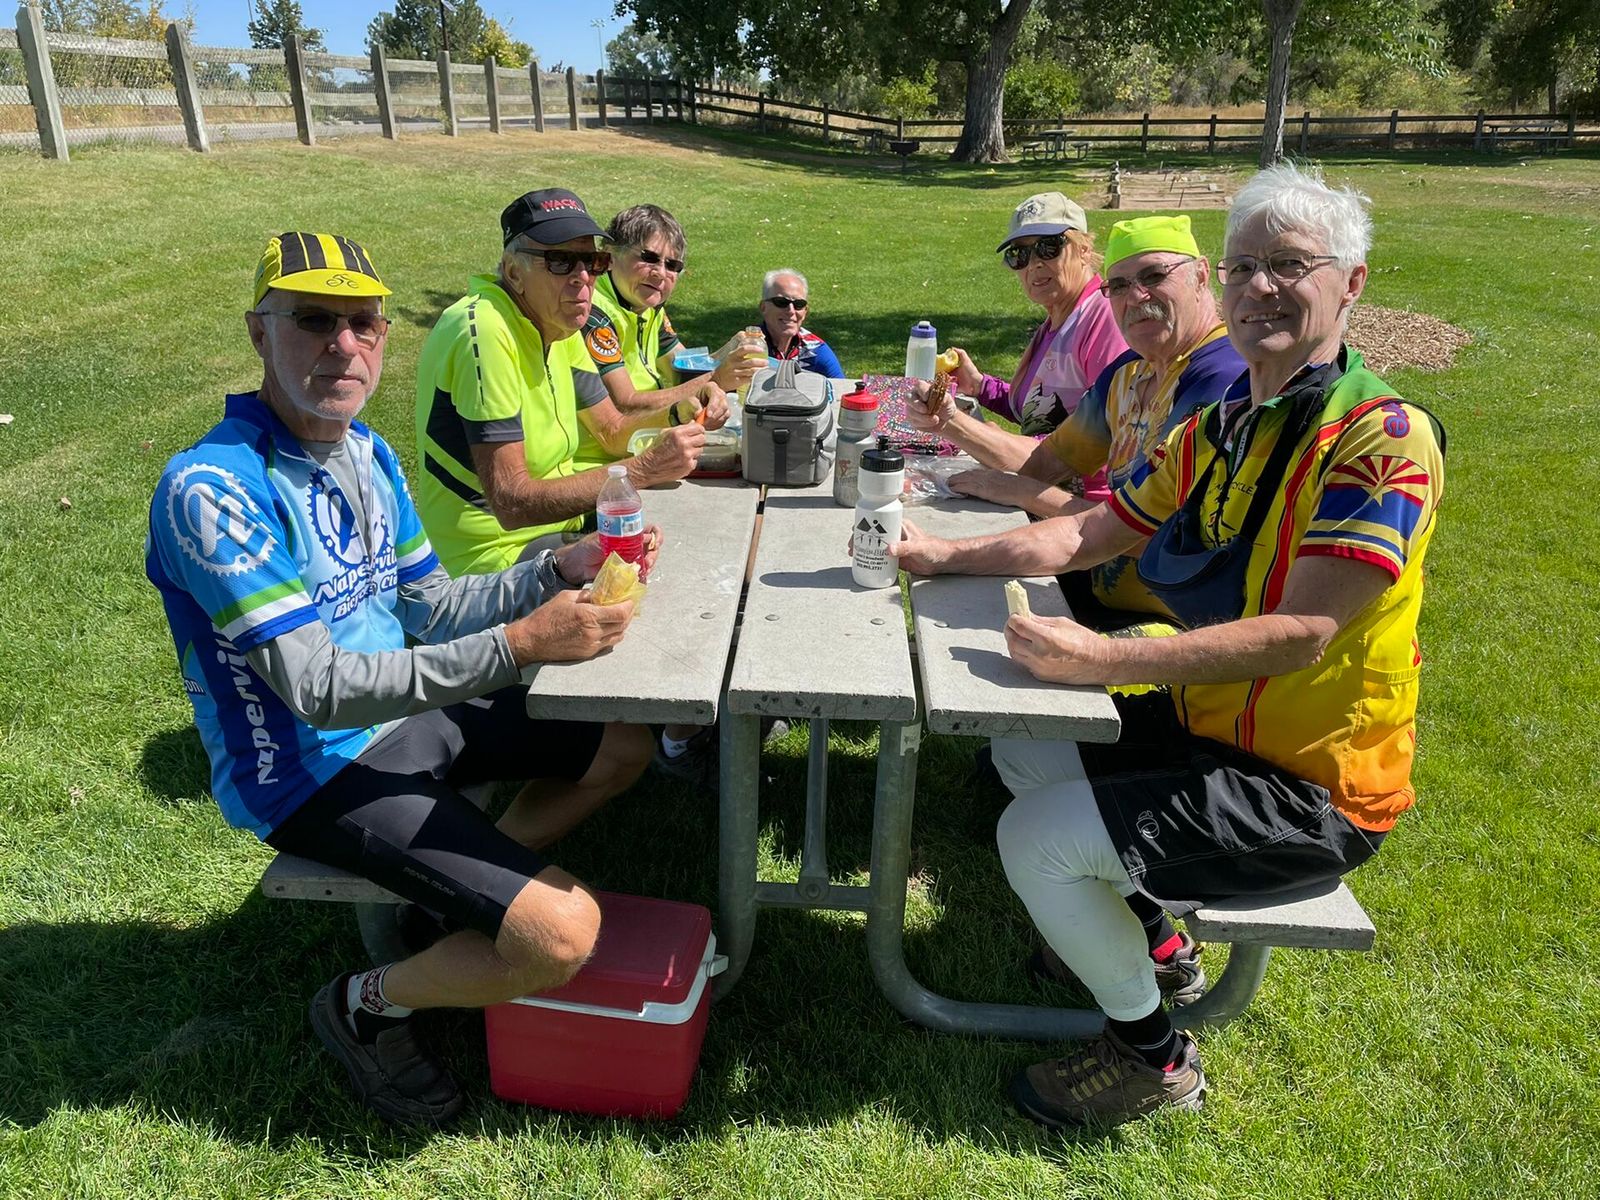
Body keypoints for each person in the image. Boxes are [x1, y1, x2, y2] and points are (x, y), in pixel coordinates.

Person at [883, 163, 1446, 1127]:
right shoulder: (1222, 425)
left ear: (1351, 283)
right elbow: (1086, 532)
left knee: (1034, 838)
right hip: (1211, 730)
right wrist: (937, 557)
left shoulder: (1380, 438)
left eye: (1290, 265)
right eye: (1243, 267)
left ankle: (1155, 1059)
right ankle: (1158, 942)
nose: (1260, 286)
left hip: (1315, 790)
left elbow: (1304, 634)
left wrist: (1104, 659)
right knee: (1022, 741)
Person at [146, 232, 659, 1127]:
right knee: (563, 936)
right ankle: (365, 1004)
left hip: (409, 712)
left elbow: (428, 605)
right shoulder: (212, 489)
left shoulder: (368, 455)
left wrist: (555, 568)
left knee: (624, 742)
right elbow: (319, 687)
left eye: (365, 324)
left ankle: (455, 909)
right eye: (314, 320)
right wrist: (519, 646)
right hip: (308, 769)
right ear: (260, 332)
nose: (343, 345)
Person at [945, 214, 1247, 627]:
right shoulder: (1129, 370)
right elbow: (1046, 463)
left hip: (1183, 624)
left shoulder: (1223, 379)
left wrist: (1025, 493)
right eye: (1118, 285)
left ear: (1201, 275)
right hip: (1096, 587)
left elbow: (1163, 538)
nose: (1136, 296)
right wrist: (952, 432)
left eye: (1154, 275)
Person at [414, 189, 728, 578]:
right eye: (560, 261)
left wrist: (679, 411)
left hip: (560, 529)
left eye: (593, 262)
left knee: (695, 547)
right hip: (489, 559)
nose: (583, 278)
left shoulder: (560, 325)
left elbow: (611, 430)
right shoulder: (485, 330)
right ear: (513, 272)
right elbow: (511, 502)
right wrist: (644, 469)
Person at [911, 192, 1127, 497]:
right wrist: (981, 387)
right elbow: (1042, 412)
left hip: (1079, 507)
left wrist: (949, 422)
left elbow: (1100, 442)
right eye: (1019, 254)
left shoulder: (1103, 319)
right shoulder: (1059, 319)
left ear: (1084, 250)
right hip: (1040, 488)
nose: (1033, 264)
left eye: (1048, 247)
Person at [576, 203, 758, 469]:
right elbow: (625, 403)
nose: (660, 273)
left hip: (647, 447)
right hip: (605, 464)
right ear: (610, 255)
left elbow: (684, 367)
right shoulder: (592, 313)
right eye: (649, 258)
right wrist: (718, 378)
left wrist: (728, 353)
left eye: (672, 265)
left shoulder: (647, 306)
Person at [756, 268, 844, 377]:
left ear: (805, 311)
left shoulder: (815, 349)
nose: (791, 311)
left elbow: (841, 385)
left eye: (799, 304)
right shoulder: (749, 345)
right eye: (781, 302)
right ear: (763, 307)